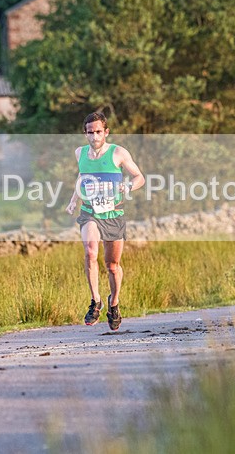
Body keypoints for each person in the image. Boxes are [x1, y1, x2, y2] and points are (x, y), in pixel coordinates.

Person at [65, 112, 144, 331]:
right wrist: (73, 200)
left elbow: (140, 177)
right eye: (90, 132)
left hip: (113, 214)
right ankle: (95, 301)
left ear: (106, 132)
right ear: (85, 133)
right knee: (90, 253)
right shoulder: (80, 153)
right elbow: (82, 177)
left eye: (98, 132)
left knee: (112, 265)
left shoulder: (118, 153)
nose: (94, 136)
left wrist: (128, 186)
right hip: (90, 212)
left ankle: (114, 303)